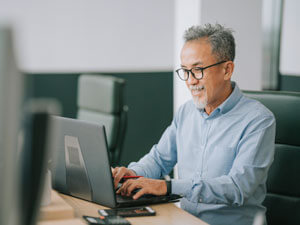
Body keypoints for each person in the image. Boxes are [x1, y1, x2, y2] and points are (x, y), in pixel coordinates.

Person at [112, 23, 275, 225]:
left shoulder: (258, 120)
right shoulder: (186, 112)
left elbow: (237, 187)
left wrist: (168, 187)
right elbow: (158, 159)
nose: (190, 81)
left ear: (227, 69)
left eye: (198, 70)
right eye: (185, 71)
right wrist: (133, 174)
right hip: (185, 220)